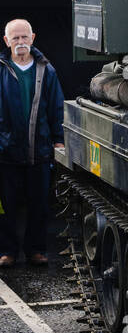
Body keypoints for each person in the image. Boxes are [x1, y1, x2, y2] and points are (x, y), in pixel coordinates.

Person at [0, 19, 65, 268]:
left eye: (24, 37)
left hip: (39, 151)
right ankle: (7, 251)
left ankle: (36, 250)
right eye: (15, 38)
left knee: (39, 205)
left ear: (33, 38)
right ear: (6, 41)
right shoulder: (1, 68)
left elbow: (56, 108)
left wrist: (58, 141)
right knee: (6, 207)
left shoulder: (46, 70)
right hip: (5, 152)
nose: (20, 42)